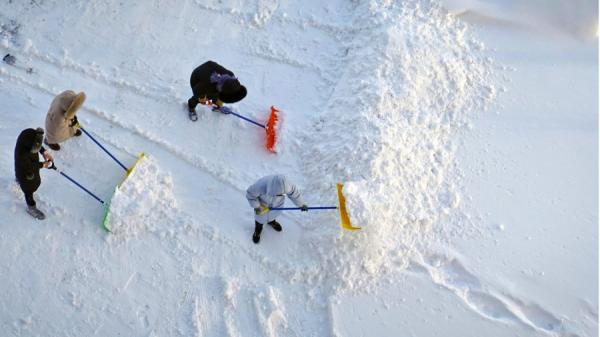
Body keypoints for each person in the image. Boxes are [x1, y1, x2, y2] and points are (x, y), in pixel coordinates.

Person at [246, 174, 308, 244]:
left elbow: (295, 195)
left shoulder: (288, 186)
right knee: (260, 219)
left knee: (273, 215)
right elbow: (250, 194)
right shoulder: (261, 185)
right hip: (262, 204)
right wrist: (257, 206)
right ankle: (258, 230)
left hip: (277, 204)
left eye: (280, 194)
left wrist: (301, 204)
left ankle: (271, 222)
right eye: (276, 194)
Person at [14, 128, 54, 220]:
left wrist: (44, 152)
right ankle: (31, 207)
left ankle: (17, 178)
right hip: (26, 171)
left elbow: (36, 143)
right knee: (28, 188)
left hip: (26, 163)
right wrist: (43, 164)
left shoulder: (29, 135)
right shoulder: (22, 155)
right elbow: (30, 166)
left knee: (18, 171)